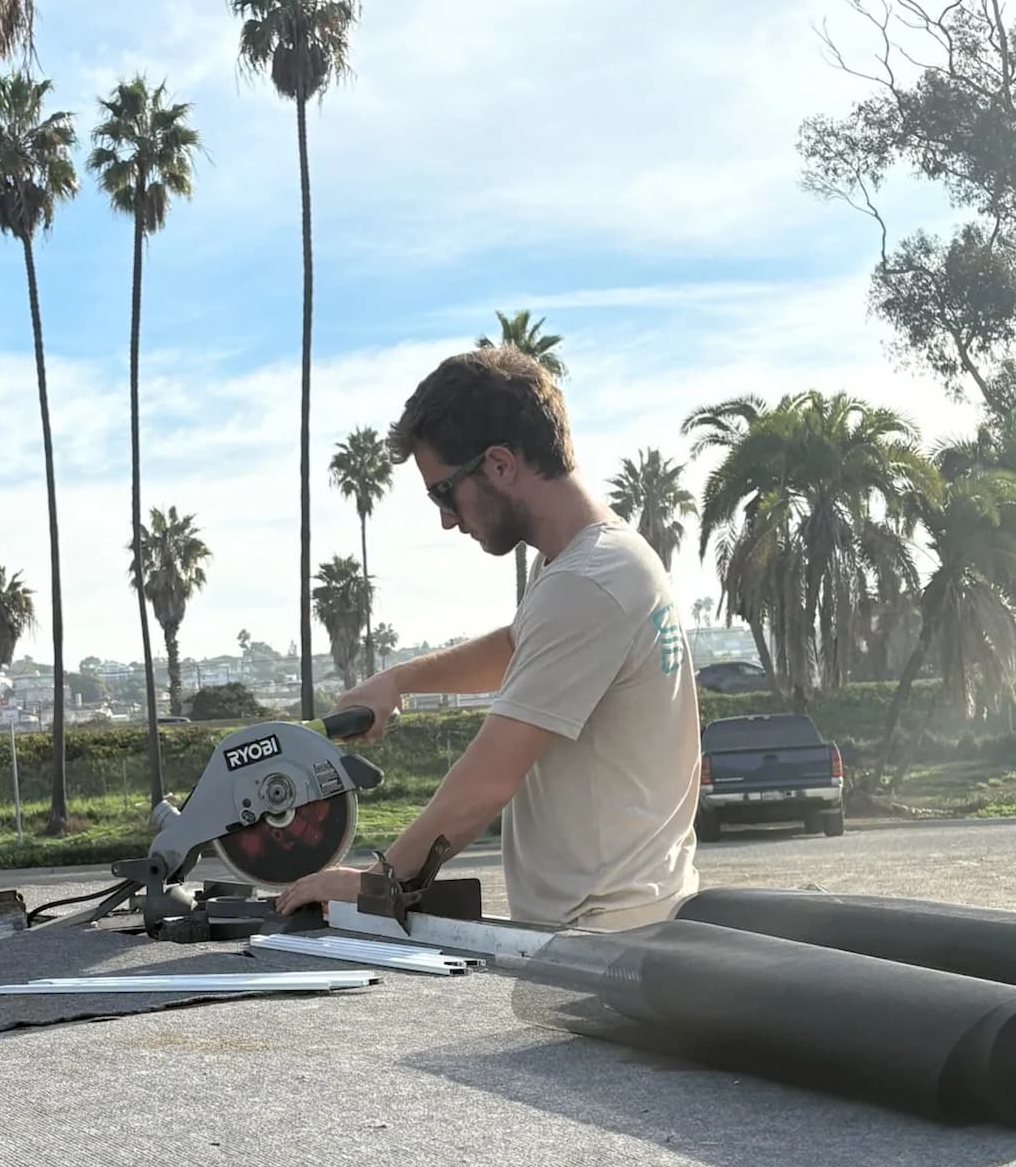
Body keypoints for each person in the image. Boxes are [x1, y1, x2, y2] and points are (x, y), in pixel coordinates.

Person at [277, 344, 700, 928]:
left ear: (500, 464)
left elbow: (487, 782)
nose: (447, 519)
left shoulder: (588, 584)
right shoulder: (590, 564)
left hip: (609, 930)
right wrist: (399, 680)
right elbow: (518, 647)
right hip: (625, 916)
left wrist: (379, 884)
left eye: (443, 492)